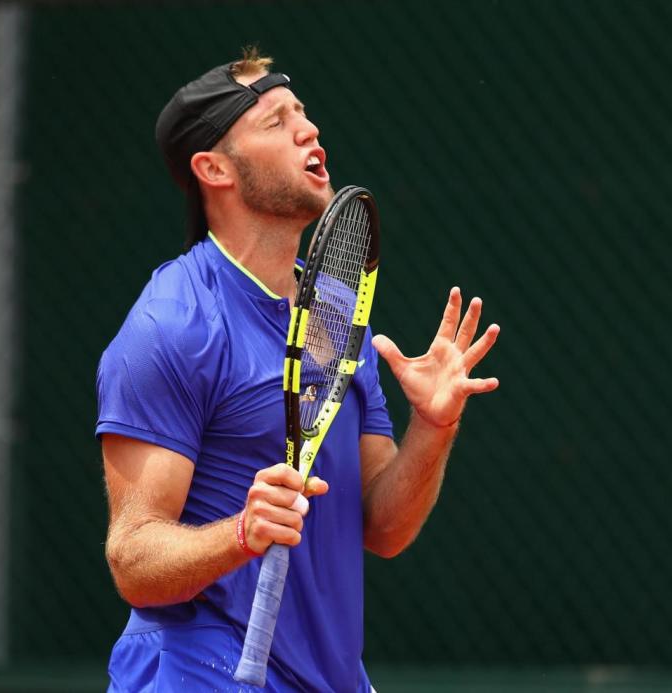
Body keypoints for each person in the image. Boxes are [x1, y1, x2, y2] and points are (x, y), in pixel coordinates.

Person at [96, 48, 500, 692]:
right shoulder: (172, 324)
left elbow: (382, 527)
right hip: (197, 674)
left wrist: (432, 426)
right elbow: (134, 558)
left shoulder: (334, 318)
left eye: (303, 115)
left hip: (326, 677)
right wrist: (240, 534)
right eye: (275, 122)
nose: (308, 131)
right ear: (213, 168)